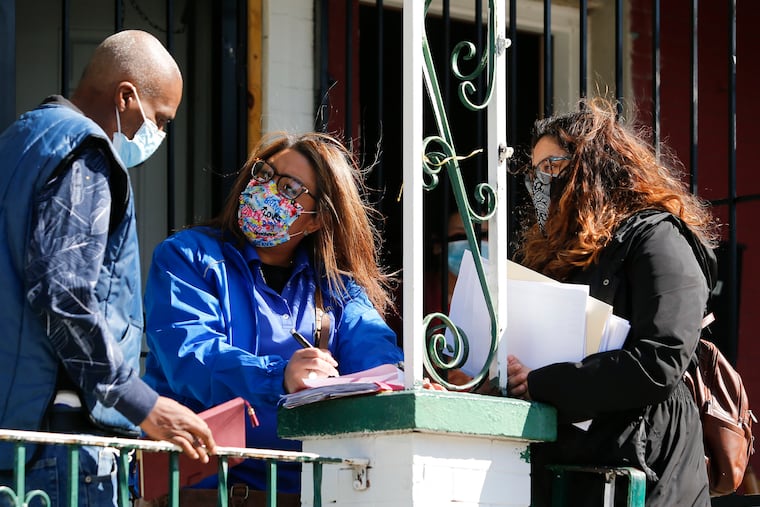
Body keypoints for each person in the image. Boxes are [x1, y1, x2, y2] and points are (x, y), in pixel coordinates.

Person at [0, 30, 217, 507]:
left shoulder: (20, 140)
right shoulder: (86, 153)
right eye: (160, 119)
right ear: (126, 97)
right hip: (58, 448)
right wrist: (143, 403)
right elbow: (63, 294)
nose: (158, 134)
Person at [141, 131, 405, 505]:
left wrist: (406, 384)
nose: (266, 190)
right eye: (264, 174)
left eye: (289, 187)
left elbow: (375, 358)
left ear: (316, 220)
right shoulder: (187, 257)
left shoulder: (338, 288)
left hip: (306, 491)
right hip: (200, 489)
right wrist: (277, 375)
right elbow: (189, 354)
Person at [506, 97, 717, 506]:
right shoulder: (554, 252)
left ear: (593, 167)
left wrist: (542, 382)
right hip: (573, 470)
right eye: (534, 172)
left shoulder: (659, 237)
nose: (540, 183)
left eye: (552, 167)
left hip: (646, 471)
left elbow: (662, 358)